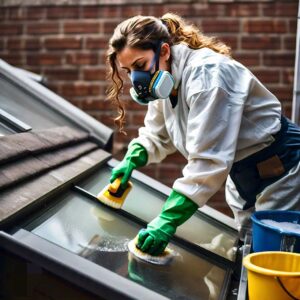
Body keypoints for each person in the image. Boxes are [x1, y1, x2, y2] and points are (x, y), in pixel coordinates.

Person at [106, 13, 300, 256]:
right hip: (242, 175)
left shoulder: (207, 76)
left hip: (282, 170)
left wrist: (167, 220)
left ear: (164, 51)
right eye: (128, 71)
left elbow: (208, 161)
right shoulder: (165, 81)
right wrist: (132, 158)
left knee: (275, 256)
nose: (137, 80)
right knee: (249, 252)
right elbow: (158, 135)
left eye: (140, 66)